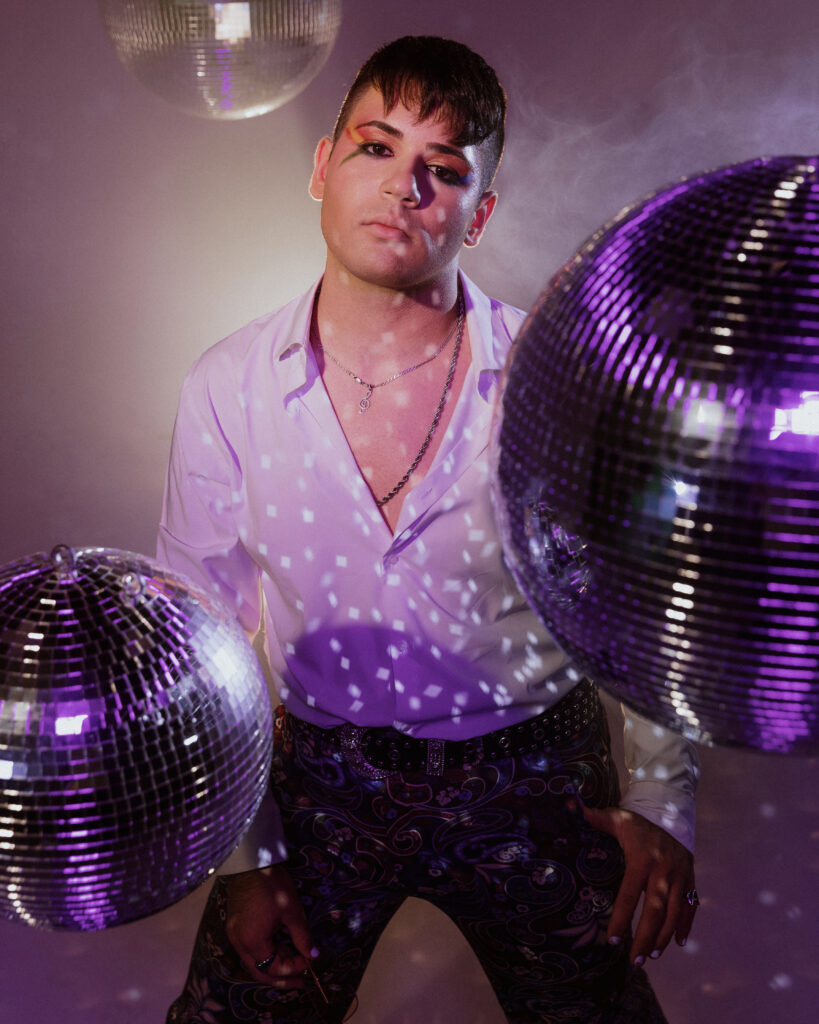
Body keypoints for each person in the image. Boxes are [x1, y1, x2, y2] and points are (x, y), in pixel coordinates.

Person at [158, 35, 700, 1024]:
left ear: (478, 214)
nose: (403, 187)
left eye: (442, 170)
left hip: (537, 777)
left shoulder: (555, 376)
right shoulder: (227, 385)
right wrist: (245, 857)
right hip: (323, 781)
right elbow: (200, 641)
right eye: (377, 147)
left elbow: (638, 595)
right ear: (323, 166)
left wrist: (663, 804)